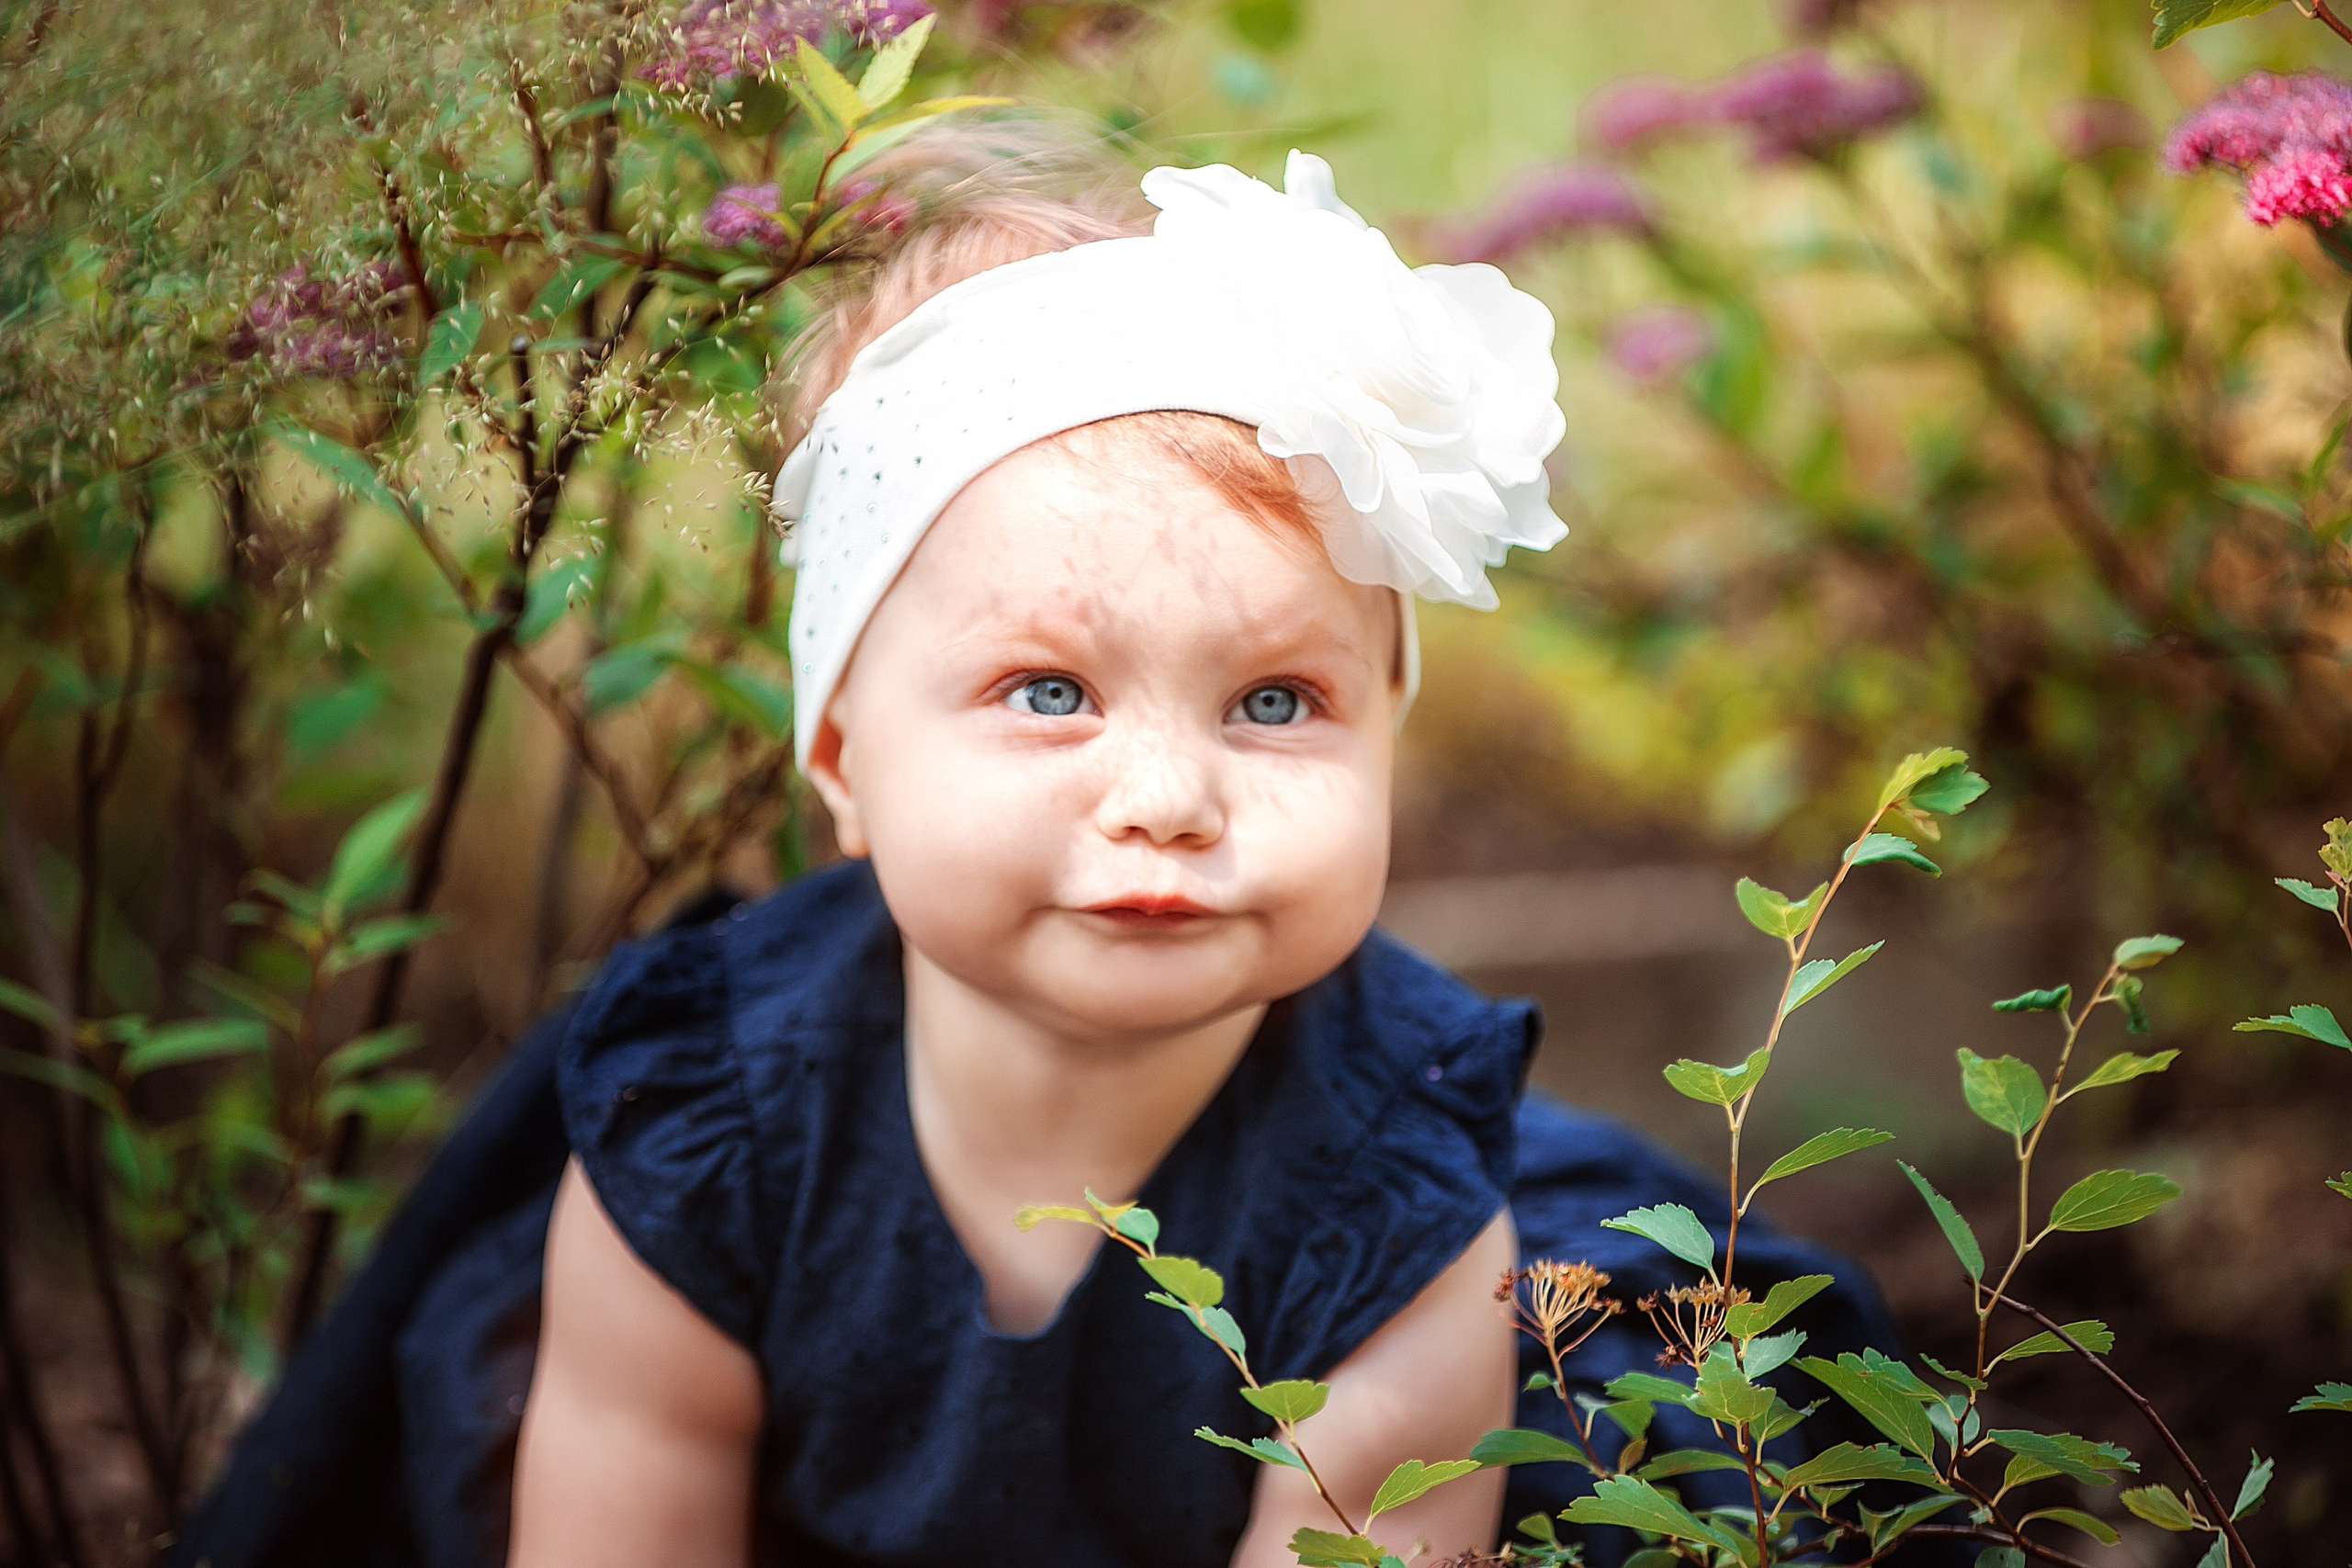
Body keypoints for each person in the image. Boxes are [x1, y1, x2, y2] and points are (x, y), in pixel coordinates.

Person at [171, 140, 1917, 1568]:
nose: (1166, 792)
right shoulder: (707, 1113)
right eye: (1049, 689)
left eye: (1279, 704)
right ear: (845, 756)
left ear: (1391, 728)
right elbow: (628, 1510)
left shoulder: (1400, 1199)